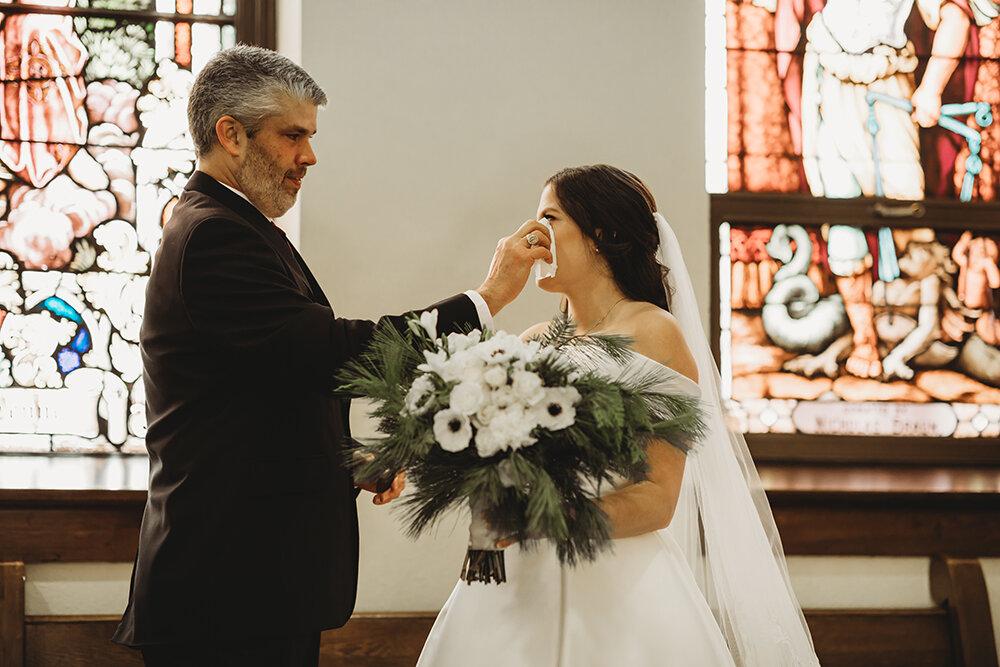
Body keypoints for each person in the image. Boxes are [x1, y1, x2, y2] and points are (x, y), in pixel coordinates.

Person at [111, 45, 552, 667]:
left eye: (310, 137)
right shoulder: (216, 235)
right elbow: (336, 353)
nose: (309, 157)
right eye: (293, 136)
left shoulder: (234, 225)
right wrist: (486, 299)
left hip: (249, 584)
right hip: (228, 592)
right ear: (230, 135)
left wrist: (341, 464)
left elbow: (265, 387)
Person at [417, 165, 820, 666]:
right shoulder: (530, 344)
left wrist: (545, 518)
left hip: (617, 590)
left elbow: (657, 499)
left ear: (601, 236)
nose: (534, 233)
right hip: (514, 587)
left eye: (550, 216)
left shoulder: (655, 333)